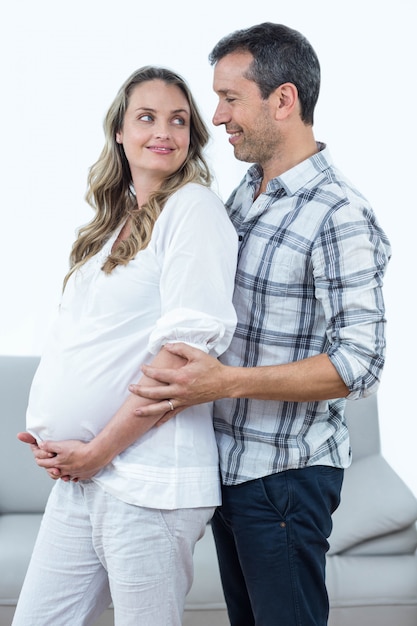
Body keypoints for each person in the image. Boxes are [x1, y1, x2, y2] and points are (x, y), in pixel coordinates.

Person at [124, 23, 392, 626]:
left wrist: (226, 382)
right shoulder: (246, 193)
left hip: (285, 478)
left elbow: (361, 364)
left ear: (284, 99)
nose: (216, 116)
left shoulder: (340, 215)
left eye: (230, 98)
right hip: (232, 469)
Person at [14, 65, 237, 626]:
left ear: (191, 137)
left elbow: (185, 353)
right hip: (87, 478)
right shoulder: (111, 226)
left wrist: (96, 450)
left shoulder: (193, 210)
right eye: (147, 117)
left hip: (149, 482)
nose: (163, 131)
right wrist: (60, 440)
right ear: (119, 130)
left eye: (178, 120)